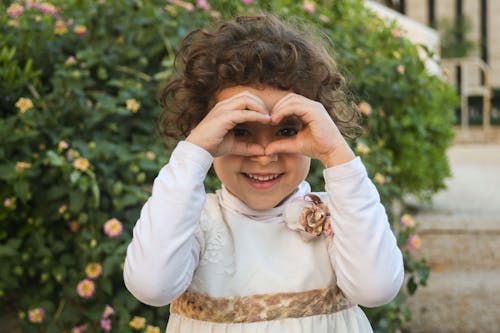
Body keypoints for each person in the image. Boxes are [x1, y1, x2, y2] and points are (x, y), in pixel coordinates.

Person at [124, 14, 404, 333]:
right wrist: (194, 151)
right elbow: (150, 286)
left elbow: (377, 289)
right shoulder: (192, 223)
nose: (264, 152)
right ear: (208, 133)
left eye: (286, 130)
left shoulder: (342, 215)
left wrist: (336, 154)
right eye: (240, 131)